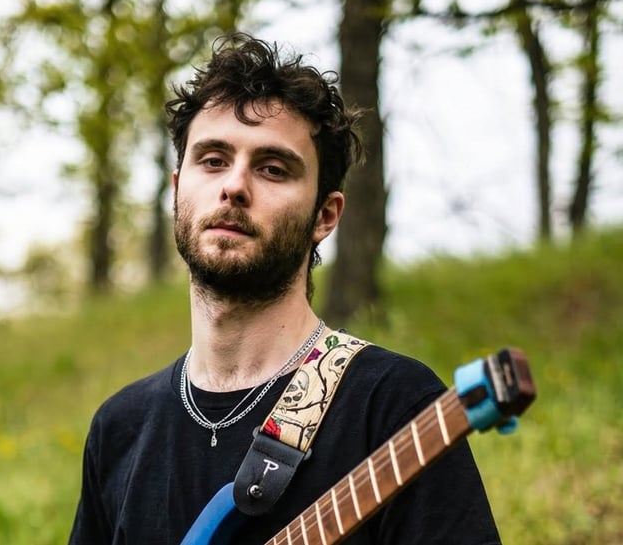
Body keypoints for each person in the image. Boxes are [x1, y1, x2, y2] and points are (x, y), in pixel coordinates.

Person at [68, 33, 501, 545]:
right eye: (213, 160)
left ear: (325, 216)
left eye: (272, 169)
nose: (234, 186)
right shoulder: (119, 428)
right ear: (177, 188)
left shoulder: (394, 406)